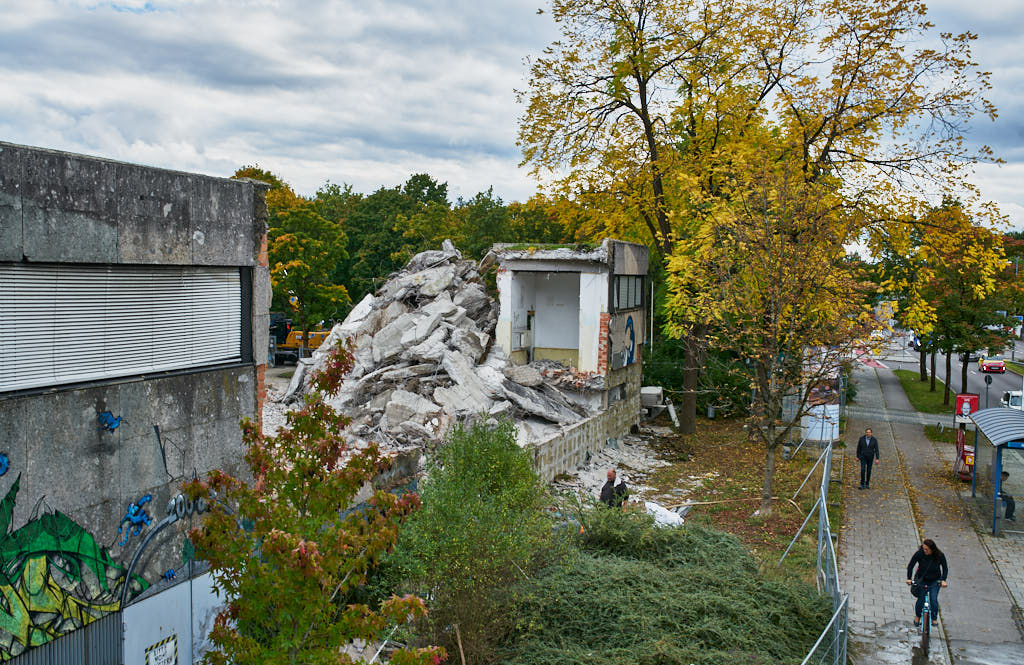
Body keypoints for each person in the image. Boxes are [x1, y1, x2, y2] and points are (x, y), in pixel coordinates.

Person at [906, 538, 948, 627]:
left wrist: (943, 580)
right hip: (923, 580)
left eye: (926, 549)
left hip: (935, 580)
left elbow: (945, 568)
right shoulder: (920, 554)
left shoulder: (939, 555)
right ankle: (917, 616)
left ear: (932, 549)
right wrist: (909, 578)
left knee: (933, 599)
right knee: (921, 600)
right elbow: (911, 565)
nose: (924, 551)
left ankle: (934, 618)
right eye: (923, 548)